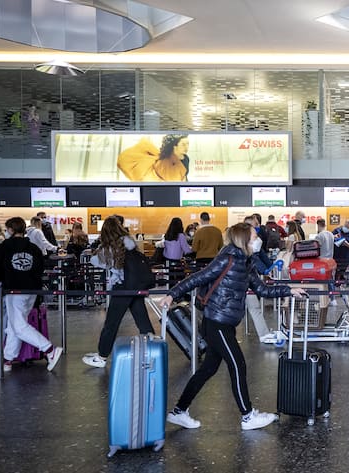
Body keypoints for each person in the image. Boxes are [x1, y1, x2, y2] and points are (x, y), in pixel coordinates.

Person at [161, 223, 306, 431]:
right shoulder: (227, 258)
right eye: (255, 235)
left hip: (225, 322)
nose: (258, 239)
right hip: (216, 322)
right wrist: (171, 294)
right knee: (237, 364)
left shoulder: (246, 262)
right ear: (243, 239)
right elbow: (198, 277)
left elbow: (262, 289)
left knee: (208, 369)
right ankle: (247, 416)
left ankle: (178, 412)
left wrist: (290, 290)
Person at [0, 217, 63, 372]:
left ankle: (50, 349)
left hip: (14, 290)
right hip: (32, 291)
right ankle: (7, 359)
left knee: (19, 326)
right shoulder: (33, 247)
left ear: (10, 230)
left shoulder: (5, 246)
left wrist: (0, 280)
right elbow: (40, 268)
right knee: (14, 325)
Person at [82, 216, 156, 368]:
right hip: (135, 286)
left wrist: (99, 251)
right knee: (142, 320)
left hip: (122, 288)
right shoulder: (129, 242)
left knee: (111, 323)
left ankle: (102, 356)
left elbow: (95, 261)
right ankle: (153, 350)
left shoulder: (109, 248)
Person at [117, 134, 190, 182]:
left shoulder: (185, 159)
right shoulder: (165, 157)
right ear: (175, 146)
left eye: (187, 144)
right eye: (183, 144)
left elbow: (184, 178)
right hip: (153, 178)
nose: (186, 147)